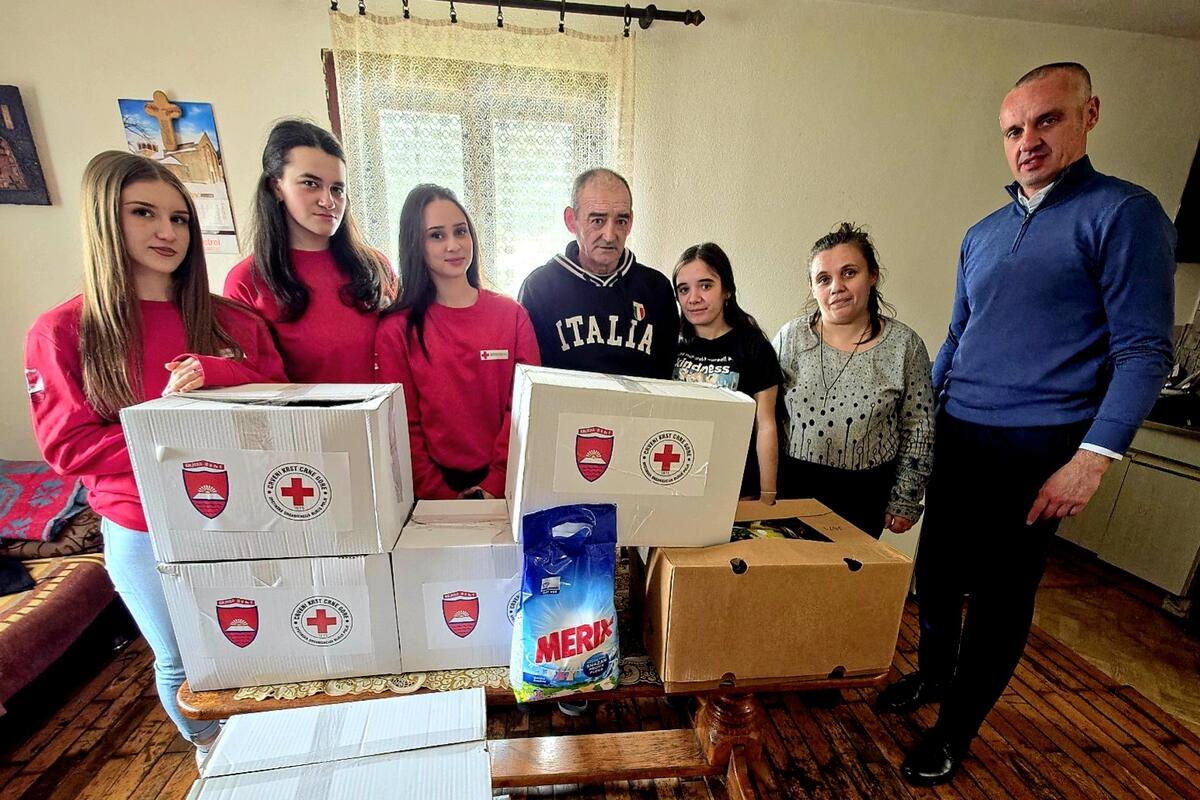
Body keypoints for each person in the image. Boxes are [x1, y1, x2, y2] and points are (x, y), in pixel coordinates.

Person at [878, 63, 1176, 787]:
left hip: (1038, 445)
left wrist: (1092, 458)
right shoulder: (983, 232)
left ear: (1089, 115)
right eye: (1014, 129)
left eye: (1048, 120)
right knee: (937, 577)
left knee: (1001, 598)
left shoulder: (1124, 213)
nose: (1028, 141)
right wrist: (923, 423)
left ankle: (955, 730)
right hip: (960, 432)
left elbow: (1144, 351)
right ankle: (934, 675)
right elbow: (958, 335)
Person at [24, 152, 287, 764]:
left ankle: (273, 753)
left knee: (263, 647)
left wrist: (216, 373)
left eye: (179, 218)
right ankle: (211, 752)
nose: (167, 232)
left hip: (242, 517)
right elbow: (67, 447)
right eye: (143, 213)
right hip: (142, 525)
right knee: (181, 658)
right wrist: (168, 426)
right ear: (103, 220)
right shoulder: (62, 331)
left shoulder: (232, 321)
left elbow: (281, 396)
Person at [376, 185, 540, 500]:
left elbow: (525, 408)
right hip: (429, 495)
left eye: (460, 231)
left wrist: (495, 483)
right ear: (415, 244)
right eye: (436, 235)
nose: (453, 245)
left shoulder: (512, 315)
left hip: (507, 486)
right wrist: (440, 496)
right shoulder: (395, 330)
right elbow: (403, 426)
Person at [773, 223, 934, 538]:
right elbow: (765, 414)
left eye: (849, 273)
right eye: (824, 279)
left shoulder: (905, 346)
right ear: (813, 287)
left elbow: (919, 427)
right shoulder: (791, 338)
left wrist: (905, 499)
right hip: (790, 491)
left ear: (872, 275)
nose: (837, 287)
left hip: (864, 497)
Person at [224, 120, 394, 382]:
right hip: (298, 410)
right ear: (277, 187)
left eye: (337, 189)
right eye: (310, 184)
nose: (328, 201)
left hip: (388, 408)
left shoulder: (375, 266)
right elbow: (252, 382)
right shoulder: (247, 281)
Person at [518, 168, 678, 379]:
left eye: (620, 221)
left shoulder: (657, 289)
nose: (610, 236)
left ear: (630, 222)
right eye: (597, 221)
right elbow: (530, 376)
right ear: (571, 220)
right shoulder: (540, 288)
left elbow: (667, 377)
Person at [672, 242, 781, 503]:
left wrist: (767, 497)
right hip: (678, 480)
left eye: (705, 286)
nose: (693, 298)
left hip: (737, 487)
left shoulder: (753, 346)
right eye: (684, 289)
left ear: (727, 290)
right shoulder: (671, 345)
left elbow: (765, 425)